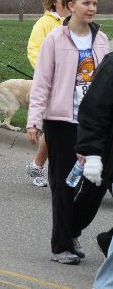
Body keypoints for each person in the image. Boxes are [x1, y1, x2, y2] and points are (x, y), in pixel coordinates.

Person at [26, 0, 109, 265]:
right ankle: (61, 245)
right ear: (71, 6)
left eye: (94, 3)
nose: (92, 8)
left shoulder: (101, 39)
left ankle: (71, 228)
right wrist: (34, 121)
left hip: (94, 124)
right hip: (62, 122)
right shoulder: (55, 40)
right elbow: (42, 83)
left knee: (98, 182)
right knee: (65, 185)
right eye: (86, 3)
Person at [24, 0, 70, 187]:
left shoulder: (78, 22)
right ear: (54, 0)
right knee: (56, 129)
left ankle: (39, 165)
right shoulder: (44, 23)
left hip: (75, 84)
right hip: (53, 84)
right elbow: (34, 51)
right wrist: (48, 73)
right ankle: (40, 165)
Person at [72, 52, 113, 263]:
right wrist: (91, 152)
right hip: (107, 146)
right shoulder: (111, 66)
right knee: (93, 192)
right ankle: (68, 231)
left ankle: (109, 239)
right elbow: (93, 111)